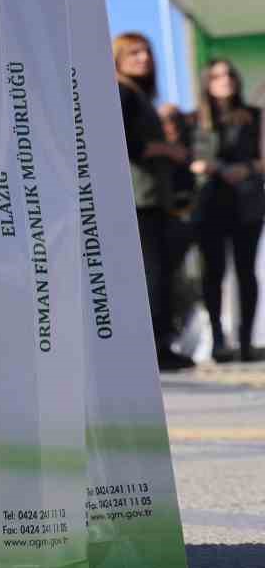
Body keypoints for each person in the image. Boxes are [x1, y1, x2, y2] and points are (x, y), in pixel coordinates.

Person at [115, 32, 195, 371]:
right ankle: (155, 350)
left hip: (153, 198)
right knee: (152, 274)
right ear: (118, 58)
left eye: (146, 51)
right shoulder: (121, 92)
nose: (143, 57)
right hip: (139, 198)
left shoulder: (139, 95)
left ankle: (161, 344)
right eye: (134, 52)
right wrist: (167, 149)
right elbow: (123, 142)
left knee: (160, 274)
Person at [190, 59, 265, 363]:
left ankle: (245, 341)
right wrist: (216, 168)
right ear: (207, 82)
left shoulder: (255, 117)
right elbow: (189, 160)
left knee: (246, 272)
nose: (226, 80)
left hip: (247, 203)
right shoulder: (193, 121)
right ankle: (219, 341)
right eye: (218, 75)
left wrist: (244, 168)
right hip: (209, 205)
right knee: (213, 272)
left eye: (230, 74)